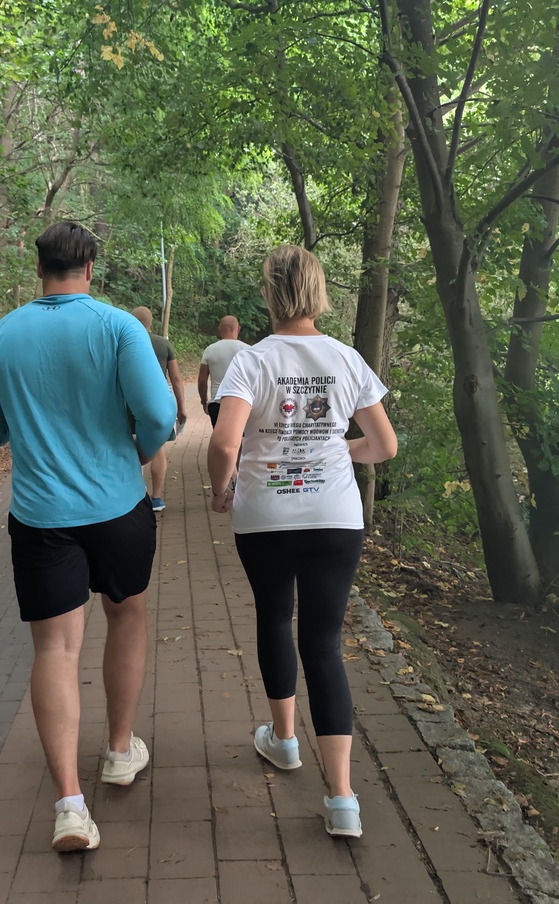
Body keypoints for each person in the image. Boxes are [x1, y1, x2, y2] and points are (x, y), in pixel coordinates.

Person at [0, 222, 176, 853]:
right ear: (89, 269)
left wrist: (31, 419)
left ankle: (70, 807)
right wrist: (138, 451)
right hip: (118, 507)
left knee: (55, 649)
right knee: (126, 615)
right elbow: (159, 414)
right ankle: (119, 751)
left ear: (39, 269)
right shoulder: (118, 327)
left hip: (40, 517)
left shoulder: (0, 336)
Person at [206, 245, 397, 839]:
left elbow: (224, 443)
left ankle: (284, 740)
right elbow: (384, 445)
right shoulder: (346, 358)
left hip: (265, 515)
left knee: (273, 618)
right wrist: (339, 448)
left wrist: (221, 490)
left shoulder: (252, 360)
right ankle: (342, 799)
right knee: (324, 644)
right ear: (318, 292)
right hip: (335, 517)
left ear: (269, 292)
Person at [131, 306, 187, 512]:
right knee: (158, 448)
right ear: (150, 323)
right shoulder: (163, 344)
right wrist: (181, 407)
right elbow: (176, 378)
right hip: (157, 401)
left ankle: (135, 495)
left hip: (129, 400)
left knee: (128, 445)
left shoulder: (122, 340)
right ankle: (156, 498)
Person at [198, 315, 249, 427]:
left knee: (219, 436)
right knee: (241, 435)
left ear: (219, 329)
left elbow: (202, 381)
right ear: (238, 329)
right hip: (241, 402)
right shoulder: (248, 350)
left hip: (216, 403)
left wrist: (204, 401)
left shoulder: (210, 350)